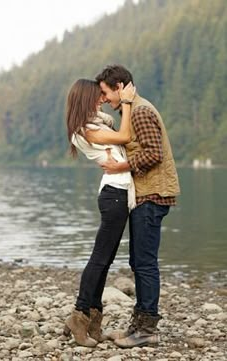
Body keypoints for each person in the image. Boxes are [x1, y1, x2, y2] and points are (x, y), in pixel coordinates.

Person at [95, 65, 180, 348]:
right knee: (139, 261)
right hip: (144, 194)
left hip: (152, 194)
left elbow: (153, 153)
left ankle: (147, 329)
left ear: (120, 87)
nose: (105, 98)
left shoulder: (141, 111)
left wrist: (122, 165)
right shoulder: (134, 110)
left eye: (106, 92)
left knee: (144, 263)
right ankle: (139, 324)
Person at [64, 78, 136, 347]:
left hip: (118, 194)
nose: (102, 100)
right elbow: (125, 137)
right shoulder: (85, 130)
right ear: (85, 98)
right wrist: (126, 103)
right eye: (97, 96)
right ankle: (79, 315)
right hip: (114, 196)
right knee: (99, 259)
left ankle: (93, 321)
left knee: (104, 261)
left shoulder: (95, 124)